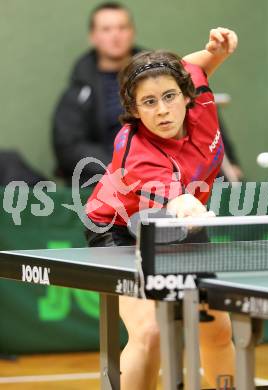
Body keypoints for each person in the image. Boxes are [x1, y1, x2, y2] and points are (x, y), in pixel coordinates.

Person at [85, 26, 238, 389]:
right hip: (120, 228)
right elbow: (177, 199)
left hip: (180, 224)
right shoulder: (135, 149)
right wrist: (186, 204)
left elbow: (193, 65)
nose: (163, 110)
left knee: (217, 328)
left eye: (170, 96)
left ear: (187, 95)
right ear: (134, 110)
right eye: (149, 102)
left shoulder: (199, 99)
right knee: (150, 331)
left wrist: (217, 52)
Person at [52, 2, 141, 185]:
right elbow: (68, 146)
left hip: (157, 173)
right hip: (103, 179)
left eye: (122, 28)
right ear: (93, 37)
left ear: (132, 32)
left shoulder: (158, 77)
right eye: (106, 29)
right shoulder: (79, 90)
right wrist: (116, 167)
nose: (115, 35)